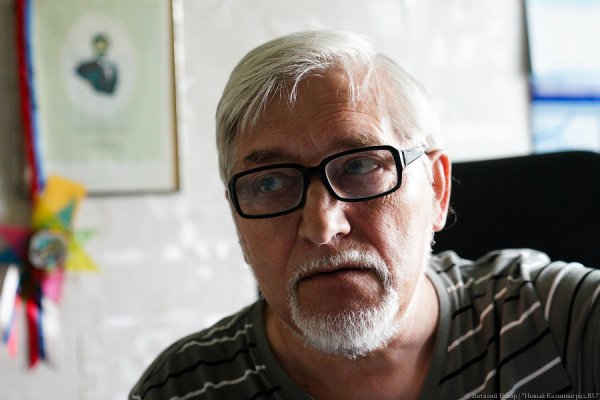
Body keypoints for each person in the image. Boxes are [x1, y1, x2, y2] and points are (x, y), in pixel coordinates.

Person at [130, 29, 600, 399]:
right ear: (237, 218)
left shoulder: (562, 321)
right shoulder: (181, 389)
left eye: (359, 167)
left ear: (437, 189)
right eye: (269, 183)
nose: (322, 226)